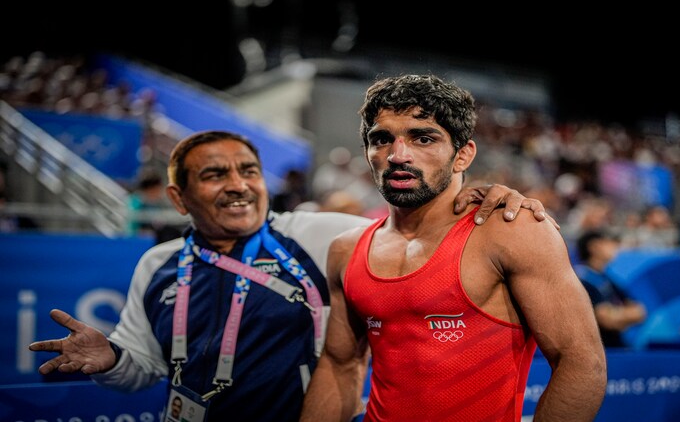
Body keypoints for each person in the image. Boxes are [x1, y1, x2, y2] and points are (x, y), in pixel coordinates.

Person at [28, 129, 556, 422]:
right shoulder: (157, 264)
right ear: (178, 198)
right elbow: (142, 369)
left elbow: (421, 232)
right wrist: (113, 359)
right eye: (215, 175)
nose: (238, 186)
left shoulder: (319, 234)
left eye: (249, 171)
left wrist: (483, 196)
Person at [300, 75, 606, 422]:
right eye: (382, 139)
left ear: (463, 155)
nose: (398, 155)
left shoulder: (510, 230)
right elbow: (340, 365)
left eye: (423, 138)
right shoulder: (347, 249)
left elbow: (582, 364)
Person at [574, 229, 647, 349]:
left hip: (616, 347)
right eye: (609, 242)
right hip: (594, 349)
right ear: (594, 247)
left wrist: (616, 316)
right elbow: (606, 319)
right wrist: (622, 316)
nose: (615, 247)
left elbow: (640, 312)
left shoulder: (608, 278)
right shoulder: (582, 279)